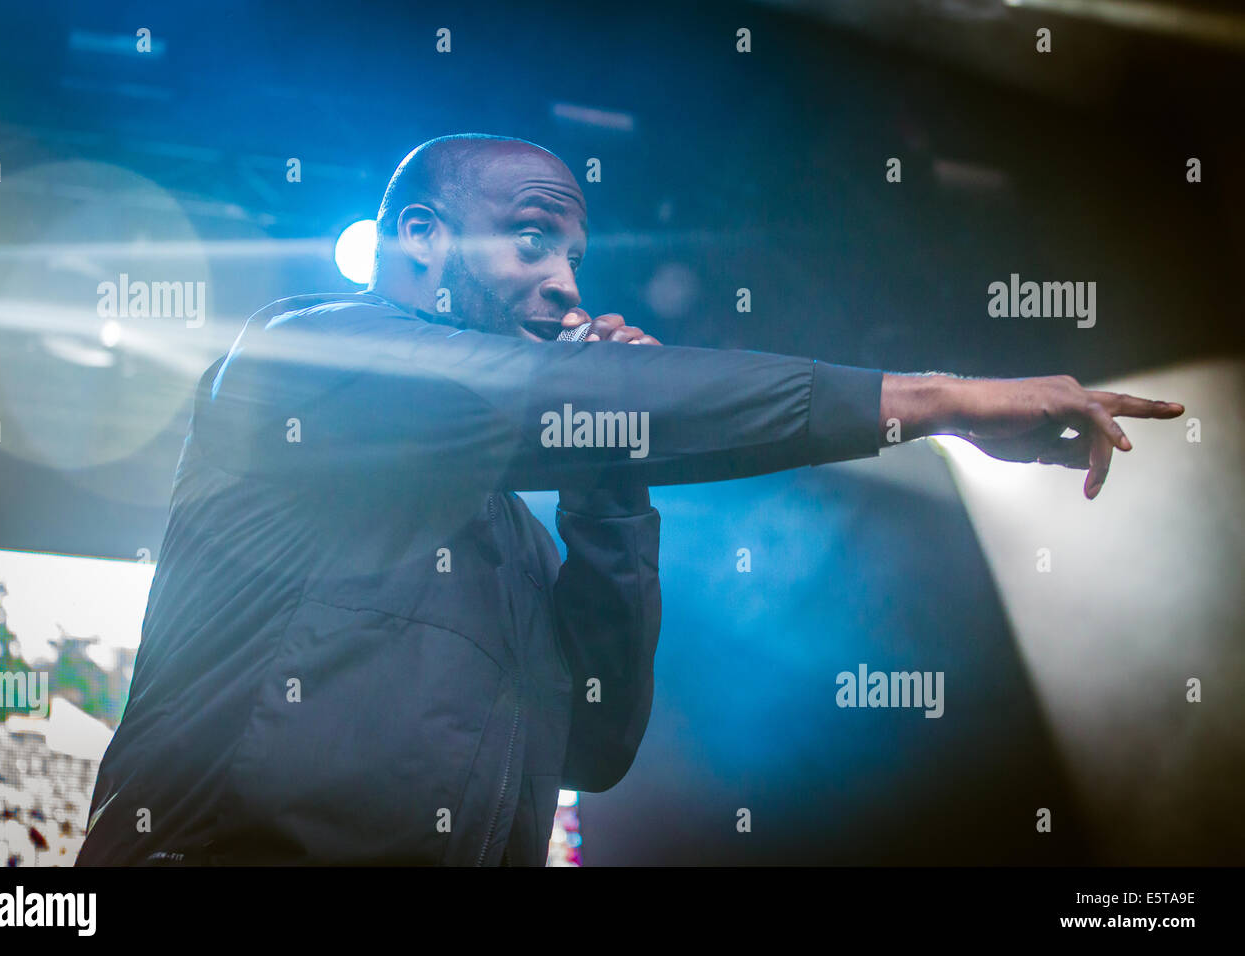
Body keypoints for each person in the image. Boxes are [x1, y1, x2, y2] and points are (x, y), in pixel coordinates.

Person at [76, 134, 1183, 867]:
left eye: (572, 253)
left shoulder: (504, 529)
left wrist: (612, 488)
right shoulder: (304, 355)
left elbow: (593, 743)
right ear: (419, 238)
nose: (566, 283)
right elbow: (547, 399)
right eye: (530, 240)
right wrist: (940, 399)